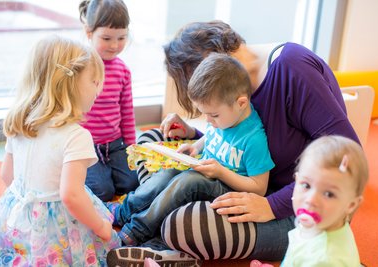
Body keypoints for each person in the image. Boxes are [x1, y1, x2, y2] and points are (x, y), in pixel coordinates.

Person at [108, 20, 360, 263]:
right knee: (153, 138)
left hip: (300, 206)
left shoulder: (291, 68)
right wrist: (194, 136)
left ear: (212, 64)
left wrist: (272, 205)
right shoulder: (236, 85)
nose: (207, 115)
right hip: (239, 180)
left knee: (185, 223)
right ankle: (157, 226)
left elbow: (346, 157)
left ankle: (160, 236)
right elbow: (233, 142)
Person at [106, 53, 274, 266]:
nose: (208, 121)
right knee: (167, 172)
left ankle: (136, 230)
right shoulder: (225, 117)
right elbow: (213, 136)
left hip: (226, 187)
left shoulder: (254, 138)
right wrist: (195, 147)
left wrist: (221, 172)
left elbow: (259, 189)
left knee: (188, 182)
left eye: (213, 115)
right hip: (204, 170)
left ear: (241, 103)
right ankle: (124, 211)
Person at [0, 35, 121, 266]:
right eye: (94, 81)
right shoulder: (76, 136)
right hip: (56, 226)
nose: (99, 90)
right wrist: (101, 227)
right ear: (69, 84)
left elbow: (6, 176)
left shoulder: (20, 124)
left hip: (17, 215)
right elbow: (71, 196)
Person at [79, 0, 139, 202]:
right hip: (85, 145)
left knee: (131, 184)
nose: (114, 45)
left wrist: (131, 145)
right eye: (106, 38)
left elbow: (127, 111)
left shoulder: (122, 70)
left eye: (121, 38)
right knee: (102, 191)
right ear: (89, 33)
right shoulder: (80, 67)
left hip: (114, 144)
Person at [281, 135, 368, 266]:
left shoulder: (324, 259)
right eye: (306, 185)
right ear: (296, 179)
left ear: (351, 205)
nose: (311, 200)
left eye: (328, 194)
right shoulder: (323, 223)